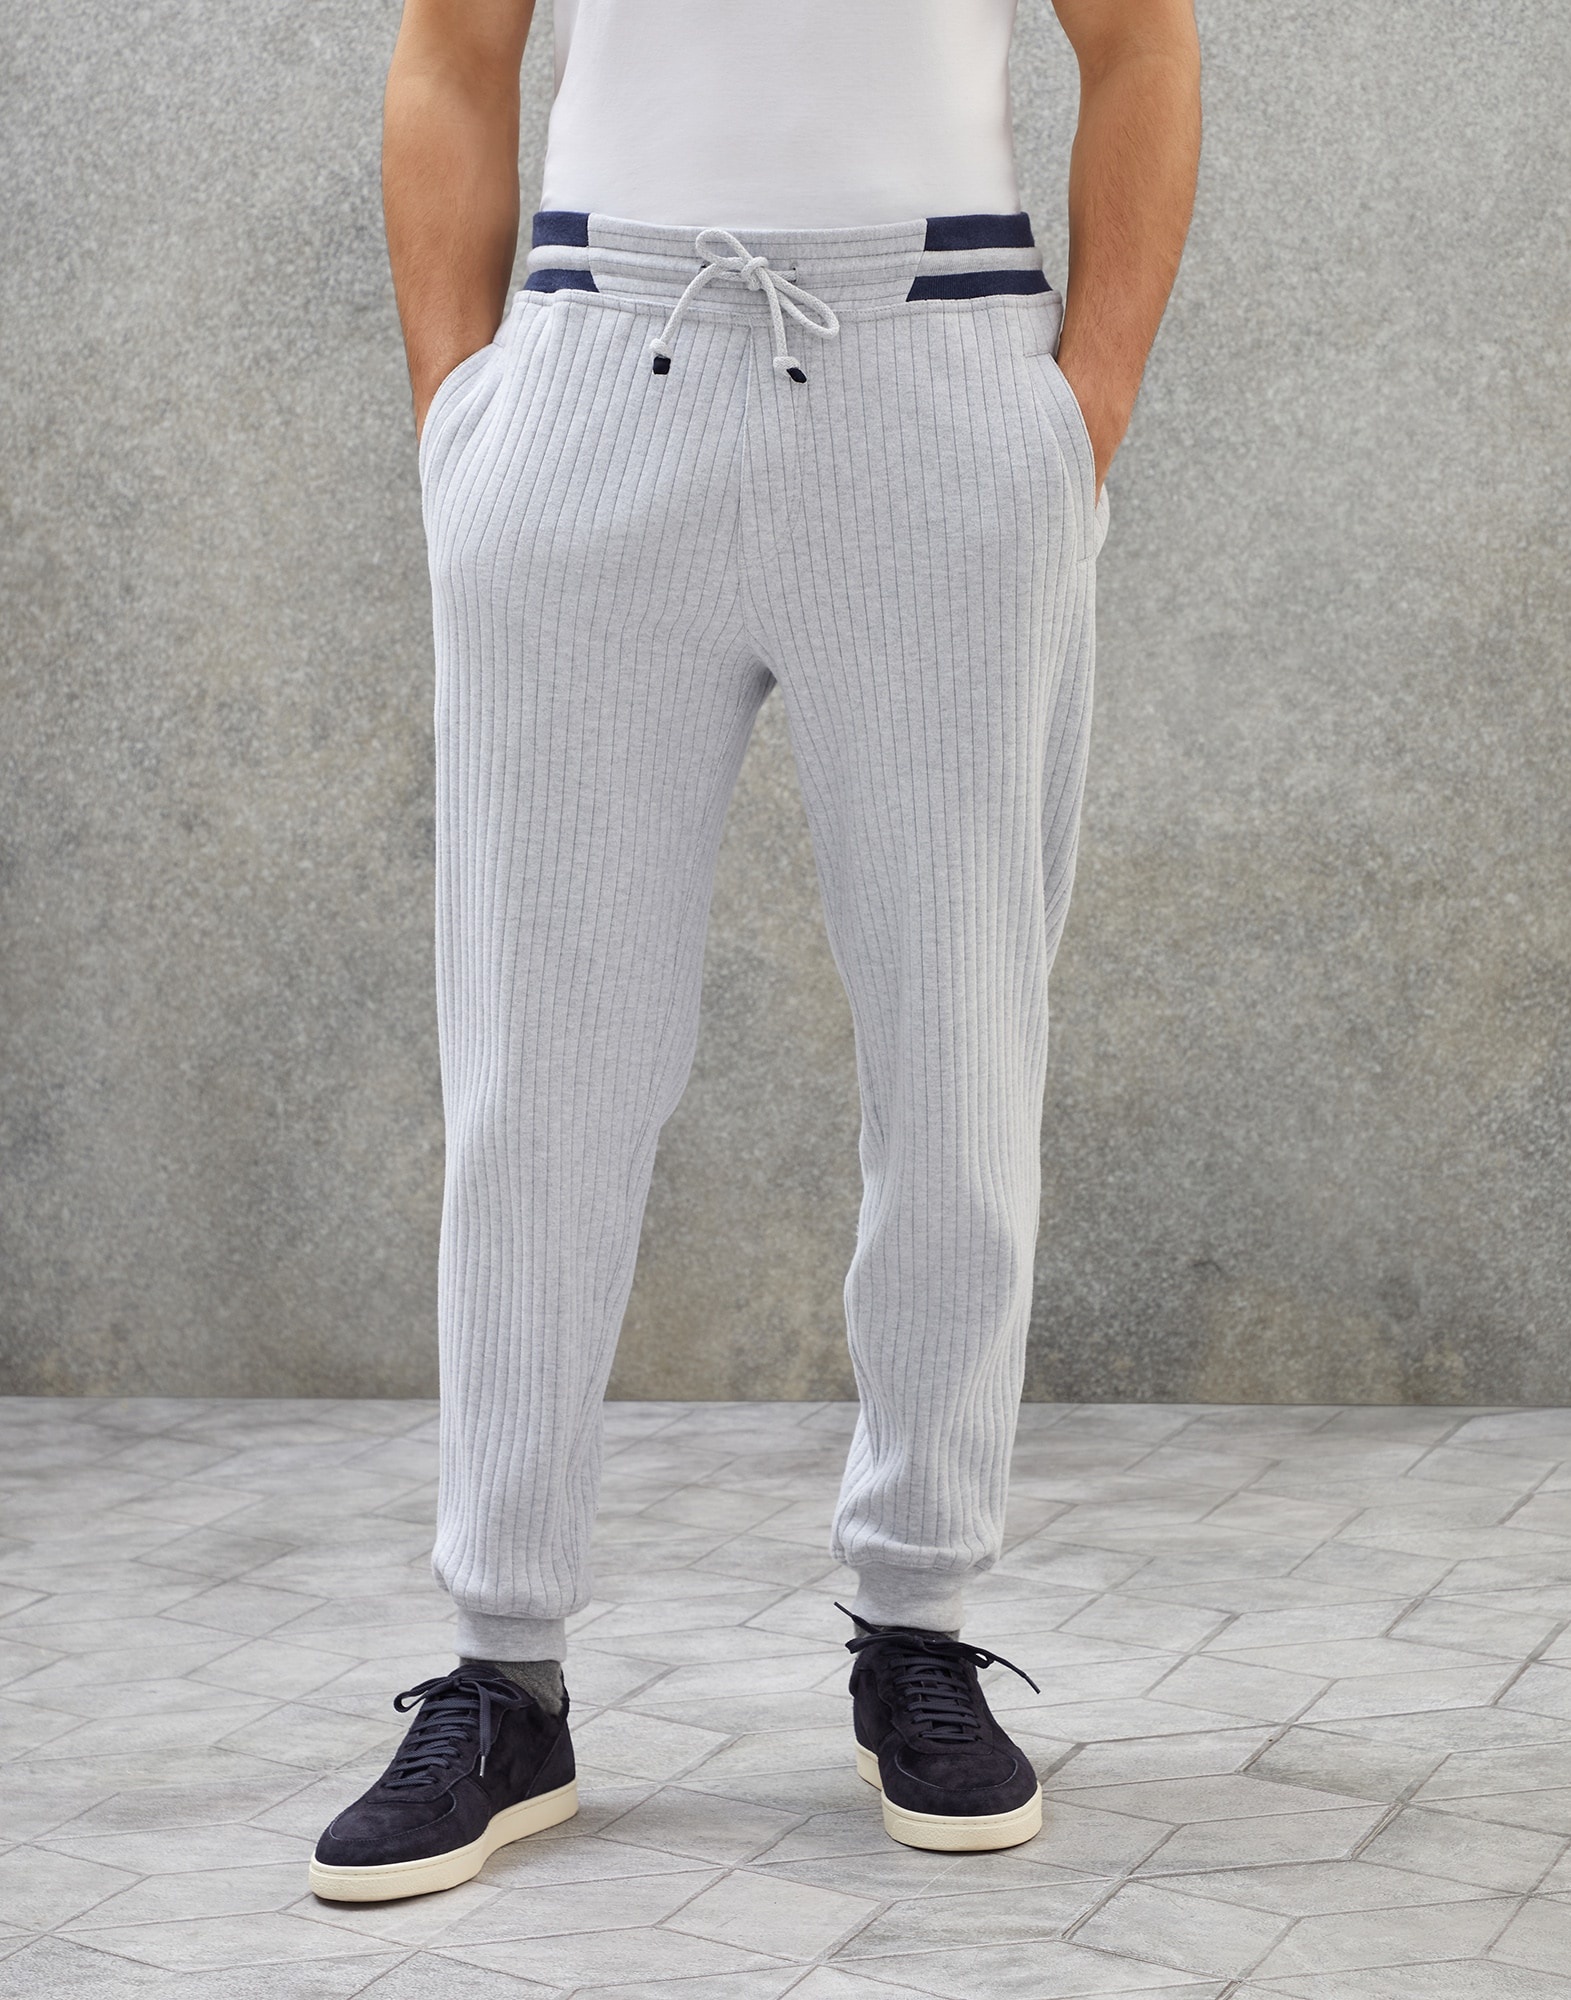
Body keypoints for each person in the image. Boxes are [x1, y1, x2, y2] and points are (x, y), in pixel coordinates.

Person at [309, 0, 1200, 1903]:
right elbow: (453, 45)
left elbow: (1144, 41)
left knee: (959, 1050)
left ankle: (919, 1623)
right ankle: (503, 1667)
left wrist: (1079, 417)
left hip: (940, 382)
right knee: (539, 1071)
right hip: (591, 374)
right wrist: (461, 421)